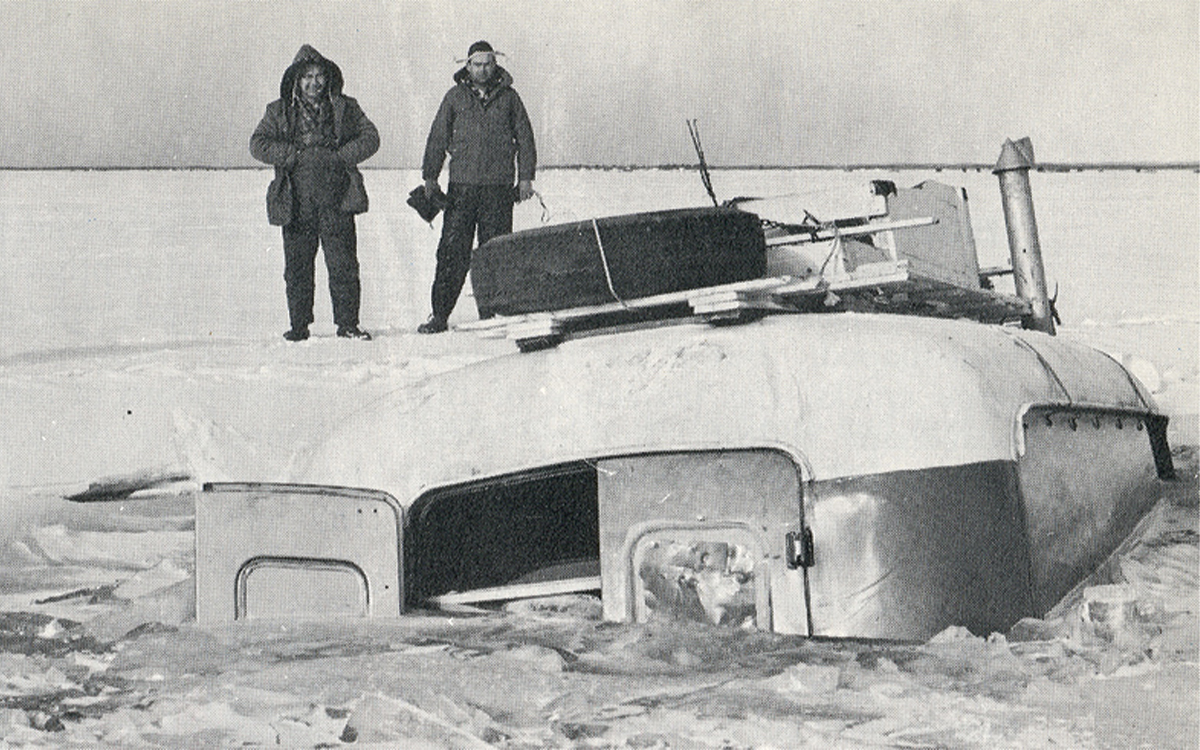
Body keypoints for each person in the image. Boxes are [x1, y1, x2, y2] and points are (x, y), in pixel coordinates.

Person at [250, 45, 379, 341]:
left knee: (344, 265)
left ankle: (348, 324)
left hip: (338, 199)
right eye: (307, 76)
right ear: (296, 79)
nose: (314, 83)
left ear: (329, 78)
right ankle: (299, 326)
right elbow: (257, 143)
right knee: (297, 268)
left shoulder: (346, 107)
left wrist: (342, 156)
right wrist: (289, 155)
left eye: (320, 76)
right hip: (297, 201)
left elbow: (371, 137)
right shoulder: (278, 110)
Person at [418, 40, 537, 334]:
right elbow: (437, 138)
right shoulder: (454, 97)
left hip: (498, 190)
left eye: (487, 64)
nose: (482, 70)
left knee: (495, 252)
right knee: (451, 252)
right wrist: (430, 177)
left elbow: (525, 139)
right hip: (461, 190)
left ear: (495, 65)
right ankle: (439, 315)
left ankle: (493, 314)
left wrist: (525, 178)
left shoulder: (510, 99)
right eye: (476, 64)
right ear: (467, 66)